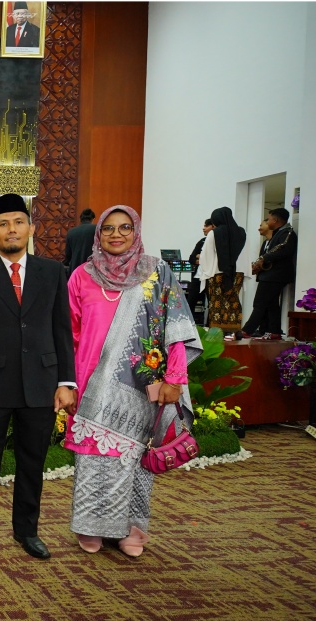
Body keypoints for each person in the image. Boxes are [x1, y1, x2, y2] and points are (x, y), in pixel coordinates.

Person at [65, 205, 202, 557]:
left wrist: (175, 377)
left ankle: (131, 527)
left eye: (124, 227)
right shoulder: (81, 275)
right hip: (91, 382)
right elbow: (69, 334)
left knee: (134, 455)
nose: (116, 234)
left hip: (141, 383)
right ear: (98, 234)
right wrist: (66, 382)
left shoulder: (157, 272)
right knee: (94, 454)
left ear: (136, 231)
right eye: (108, 228)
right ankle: (90, 525)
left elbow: (176, 329)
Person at [0, 193, 76, 559]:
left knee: (32, 462)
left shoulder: (53, 272)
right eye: (3, 224)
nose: (12, 229)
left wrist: (66, 381)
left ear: (31, 228)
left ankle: (27, 530)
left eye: (18, 222)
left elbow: (62, 329)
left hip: (40, 383)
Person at [242, 208, 297, 338]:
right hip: (272, 275)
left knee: (259, 303)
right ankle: (275, 331)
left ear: (275, 220)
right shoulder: (279, 233)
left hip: (275, 275)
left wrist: (264, 258)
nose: (268, 222)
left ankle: (247, 330)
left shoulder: (287, 233)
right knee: (272, 304)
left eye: (270, 219)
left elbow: (284, 251)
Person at [206, 206, 247, 333]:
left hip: (217, 272)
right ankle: (234, 330)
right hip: (237, 273)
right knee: (233, 301)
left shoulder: (214, 233)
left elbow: (207, 255)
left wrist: (205, 272)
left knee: (217, 302)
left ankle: (217, 331)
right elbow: (245, 254)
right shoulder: (241, 232)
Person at [185, 219, 215, 321]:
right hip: (198, 276)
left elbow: (212, 259)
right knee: (190, 301)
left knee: (212, 303)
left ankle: (210, 324)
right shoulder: (202, 241)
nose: (203, 228)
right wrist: (201, 259)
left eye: (206, 226)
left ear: (213, 227)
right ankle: (189, 324)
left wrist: (200, 257)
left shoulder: (217, 241)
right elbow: (192, 258)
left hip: (211, 276)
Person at [62, 208, 97, 276]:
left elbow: (68, 254)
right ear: (93, 219)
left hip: (75, 268)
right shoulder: (96, 229)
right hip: (92, 268)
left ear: (80, 219)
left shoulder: (71, 231)